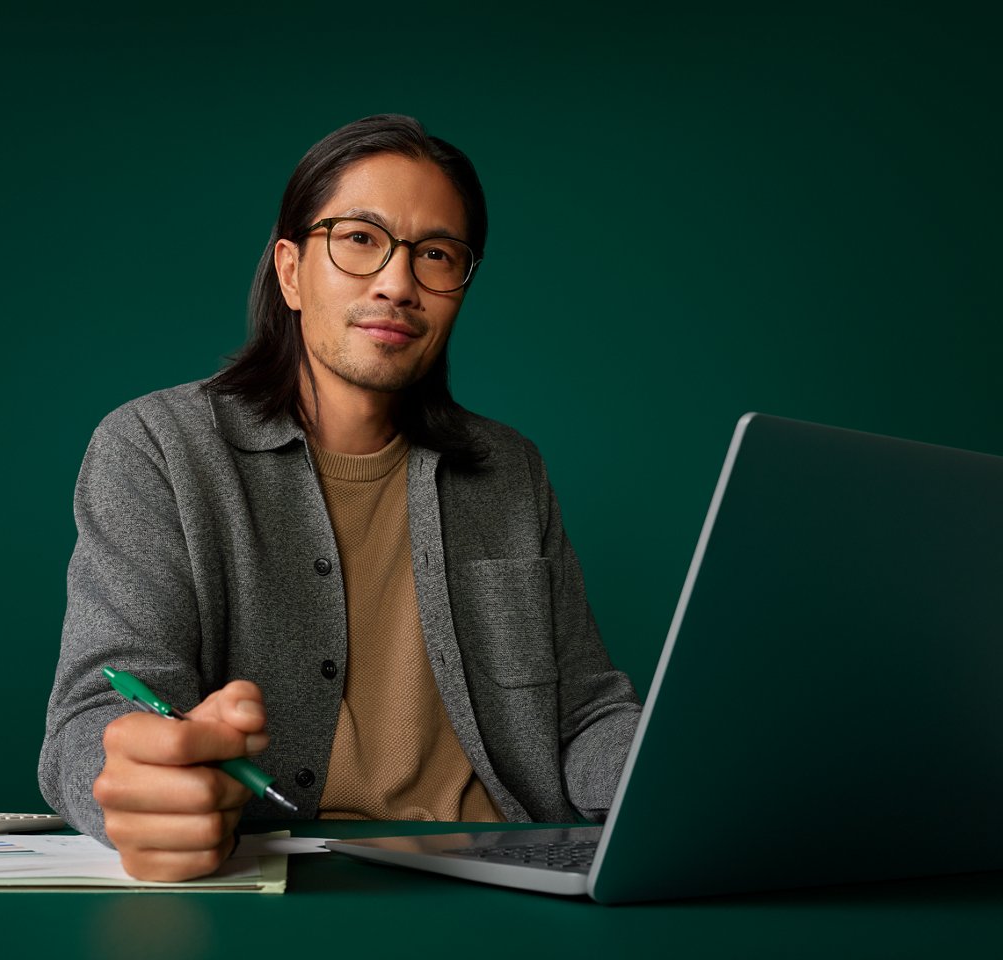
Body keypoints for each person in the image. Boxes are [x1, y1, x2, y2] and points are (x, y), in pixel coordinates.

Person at [39, 114, 642, 882]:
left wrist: (683, 773)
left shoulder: (509, 469)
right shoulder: (156, 447)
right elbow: (98, 712)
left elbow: (585, 715)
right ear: (290, 271)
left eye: (435, 254)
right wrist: (133, 789)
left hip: (517, 877)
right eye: (359, 239)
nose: (397, 282)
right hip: (296, 881)